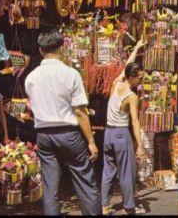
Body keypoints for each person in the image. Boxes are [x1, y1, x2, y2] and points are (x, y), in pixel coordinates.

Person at [24, 30, 101, 215]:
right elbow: (80, 112)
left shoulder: (31, 77)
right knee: (84, 182)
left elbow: (32, 107)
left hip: (44, 136)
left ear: (41, 50)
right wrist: (91, 142)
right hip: (69, 134)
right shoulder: (71, 74)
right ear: (61, 48)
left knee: (50, 187)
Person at [101, 40, 146, 215]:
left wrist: (137, 47)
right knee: (126, 173)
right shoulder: (131, 96)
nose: (140, 80)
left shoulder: (116, 83)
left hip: (108, 134)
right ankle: (129, 207)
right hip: (121, 135)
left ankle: (105, 207)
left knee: (108, 171)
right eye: (140, 77)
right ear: (132, 77)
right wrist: (140, 145)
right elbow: (135, 122)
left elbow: (127, 66)